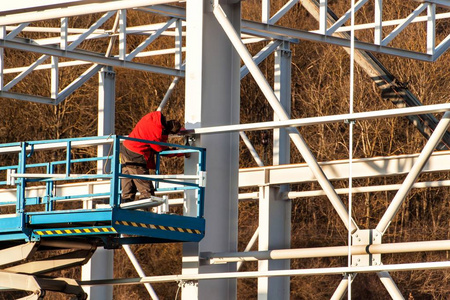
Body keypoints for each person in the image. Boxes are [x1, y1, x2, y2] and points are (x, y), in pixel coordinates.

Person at [120, 111, 182, 203]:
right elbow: (162, 150)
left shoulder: (152, 116)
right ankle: (143, 212)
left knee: (128, 187)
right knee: (147, 192)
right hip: (136, 155)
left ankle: (124, 210)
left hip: (125, 149)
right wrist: (179, 152)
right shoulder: (157, 134)